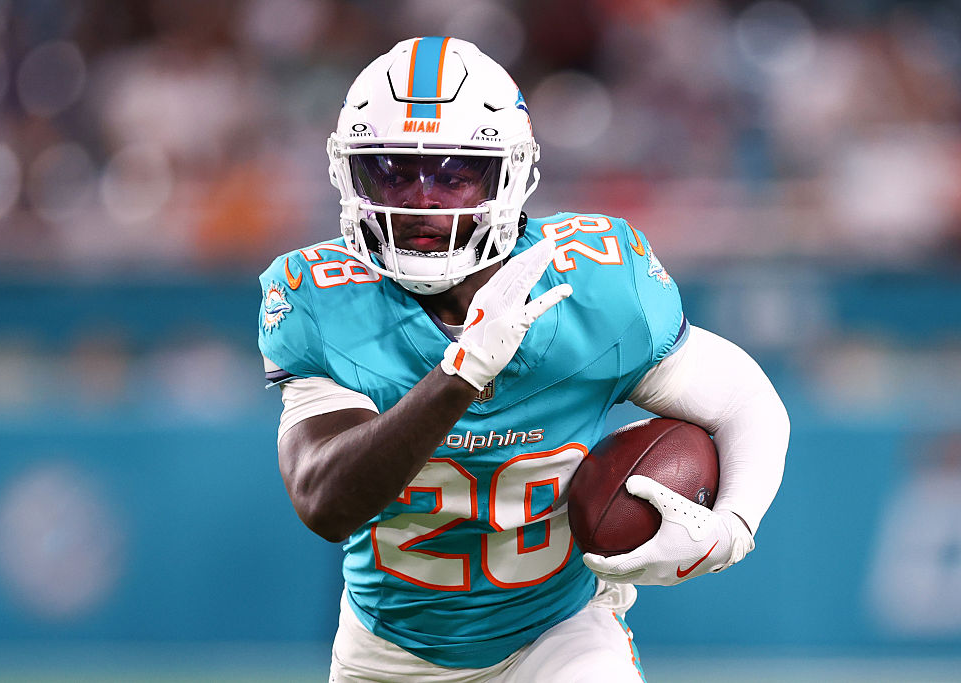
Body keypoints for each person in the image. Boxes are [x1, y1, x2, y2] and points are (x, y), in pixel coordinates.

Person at [258, 36, 789, 682]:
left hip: (559, 633)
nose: (422, 200)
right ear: (352, 174)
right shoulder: (321, 296)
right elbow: (325, 501)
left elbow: (742, 400)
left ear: (508, 176)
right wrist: (460, 374)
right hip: (392, 651)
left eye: (454, 175)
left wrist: (732, 526)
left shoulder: (595, 284)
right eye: (393, 172)